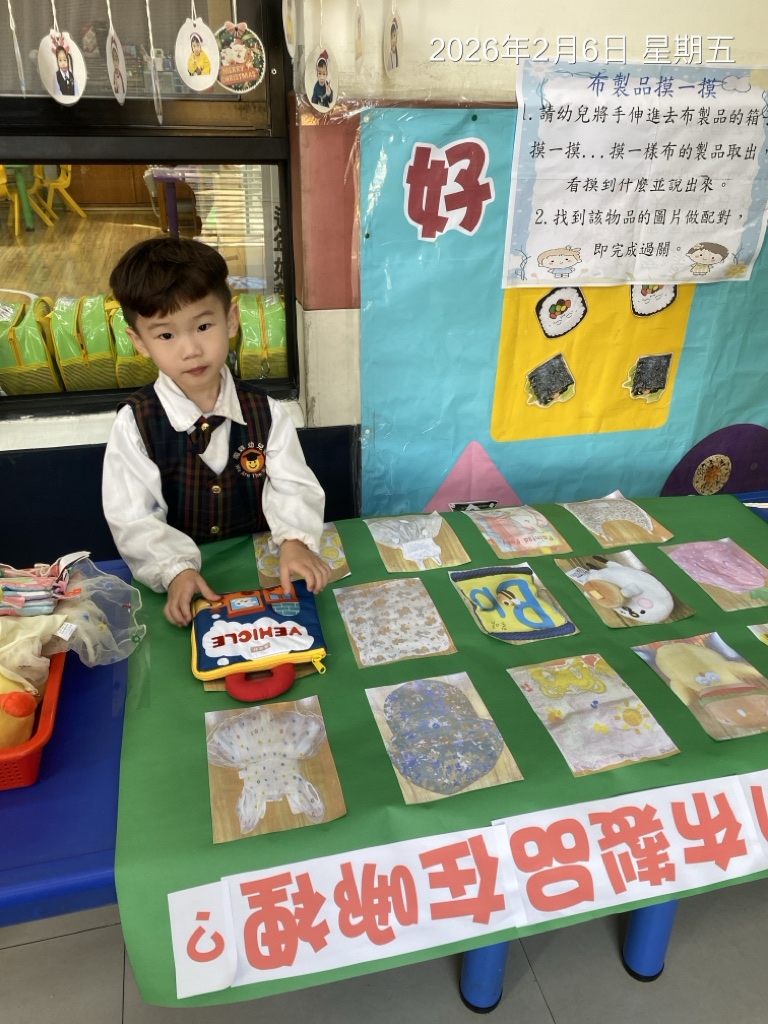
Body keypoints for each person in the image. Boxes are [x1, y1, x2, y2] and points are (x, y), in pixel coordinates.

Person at [102, 237, 331, 627]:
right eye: (166, 335)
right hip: (188, 587)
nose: (190, 349)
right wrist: (174, 569)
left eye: (203, 326)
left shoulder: (266, 413)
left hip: (264, 574)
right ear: (139, 342)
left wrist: (295, 541)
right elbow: (134, 517)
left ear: (232, 319)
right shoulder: (136, 424)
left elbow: (292, 485)